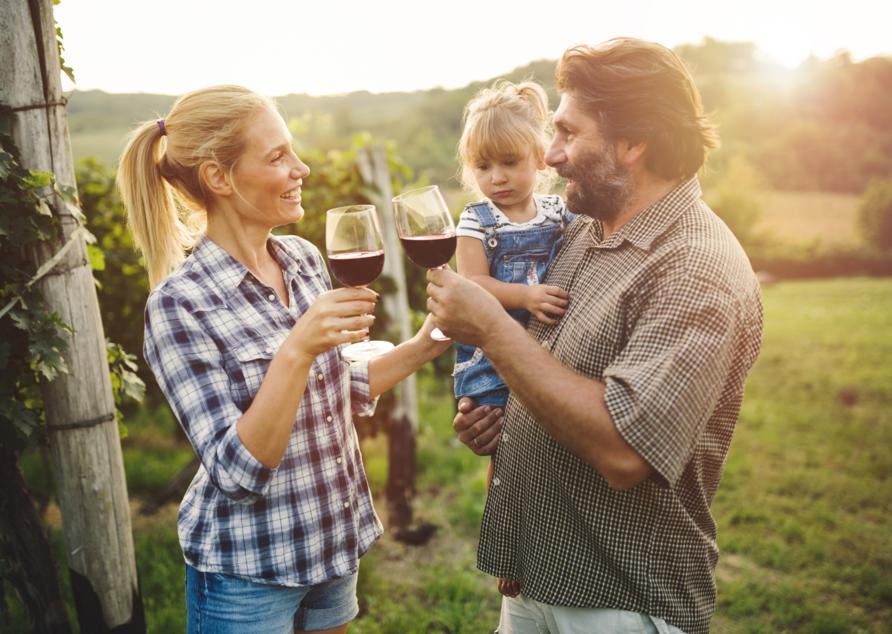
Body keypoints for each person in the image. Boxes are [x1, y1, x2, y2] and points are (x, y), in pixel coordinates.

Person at [427, 38, 764, 634]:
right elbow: (550, 370)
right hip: (537, 577)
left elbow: (624, 451)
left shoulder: (695, 267)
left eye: (567, 133)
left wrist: (491, 331)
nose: (550, 156)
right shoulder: (584, 231)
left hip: (621, 602)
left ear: (633, 144)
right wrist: (500, 421)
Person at [117, 85, 449, 634]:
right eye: (277, 157)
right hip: (249, 571)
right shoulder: (179, 304)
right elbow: (236, 472)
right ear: (218, 177)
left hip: (330, 544)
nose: (302, 169)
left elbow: (334, 392)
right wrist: (297, 349)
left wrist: (429, 342)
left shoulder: (303, 260)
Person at [452, 79, 574, 600]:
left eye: (508, 163)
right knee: (505, 451)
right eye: (483, 167)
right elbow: (473, 286)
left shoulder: (559, 214)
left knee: (548, 449)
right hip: (490, 353)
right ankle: (511, 549)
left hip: (547, 349)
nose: (495, 179)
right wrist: (524, 298)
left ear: (539, 159)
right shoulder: (476, 221)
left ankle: (554, 541)